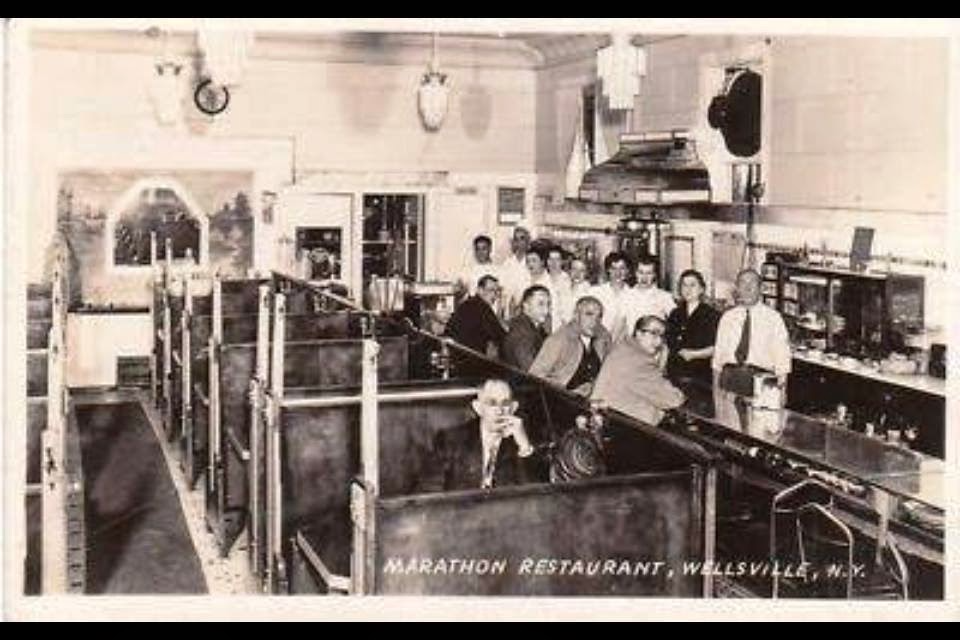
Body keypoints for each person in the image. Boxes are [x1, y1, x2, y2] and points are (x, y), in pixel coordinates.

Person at [414, 379, 547, 492]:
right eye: (492, 403)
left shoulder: (525, 441)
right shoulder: (451, 440)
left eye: (505, 403)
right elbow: (428, 492)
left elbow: (538, 498)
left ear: (513, 407)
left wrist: (524, 446)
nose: (499, 411)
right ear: (478, 408)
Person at [591, 315, 686, 426]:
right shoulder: (641, 362)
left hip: (609, 418)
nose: (659, 342)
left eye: (662, 336)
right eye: (654, 334)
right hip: (630, 430)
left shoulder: (622, 348)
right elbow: (673, 400)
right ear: (638, 333)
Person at [712, 269, 792, 394]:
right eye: (742, 283)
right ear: (737, 289)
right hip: (729, 378)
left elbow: (782, 362)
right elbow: (717, 359)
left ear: (760, 289)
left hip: (760, 380)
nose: (747, 288)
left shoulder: (773, 318)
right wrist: (715, 391)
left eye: (752, 283)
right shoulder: (727, 317)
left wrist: (781, 395)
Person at [529, 296, 611, 396]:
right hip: (563, 401)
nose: (594, 321)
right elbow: (534, 378)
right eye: (589, 314)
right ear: (576, 315)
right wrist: (568, 393)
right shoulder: (559, 339)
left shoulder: (603, 337)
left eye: (599, 316)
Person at [665, 269, 720, 384]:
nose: (688, 289)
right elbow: (668, 341)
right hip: (675, 371)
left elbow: (717, 347)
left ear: (701, 289)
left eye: (692, 285)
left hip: (700, 374)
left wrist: (693, 354)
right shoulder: (675, 313)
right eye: (684, 285)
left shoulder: (712, 315)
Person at [444, 274, 506, 361]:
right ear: (479, 290)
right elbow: (499, 335)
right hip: (473, 361)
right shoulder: (482, 307)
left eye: (497, 291)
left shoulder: (466, 304)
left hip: (457, 358)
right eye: (491, 290)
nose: (495, 296)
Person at [501, 285, 551, 371]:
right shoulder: (522, 334)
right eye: (540, 304)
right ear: (526, 306)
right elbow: (532, 372)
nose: (546, 310)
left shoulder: (534, 327)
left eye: (548, 304)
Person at [589, 252, 635, 343]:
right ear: (608, 270)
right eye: (613, 268)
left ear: (627, 271)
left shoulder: (634, 295)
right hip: (598, 342)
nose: (617, 273)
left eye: (622, 268)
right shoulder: (595, 292)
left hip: (624, 345)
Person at [625, 255, 676, 329]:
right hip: (631, 339)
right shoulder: (626, 295)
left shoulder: (664, 297)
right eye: (641, 272)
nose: (644, 277)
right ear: (635, 273)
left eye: (649, 273)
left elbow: (675, 321)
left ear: (654, 275)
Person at [497, 226, 532, 320]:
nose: (519, 242)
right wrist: (500, 311)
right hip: (508, 312)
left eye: (522, 239)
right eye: (516, 239)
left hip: (527, 311)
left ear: (528, 242)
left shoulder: (532, 263)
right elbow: (501, 290)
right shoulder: (507, 264)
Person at [459, 234, 499, 298]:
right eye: (478, 249)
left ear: (490, 249)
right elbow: (461, 290)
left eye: (484, 249)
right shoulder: (468, 270)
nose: (480, 252)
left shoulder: (498, 270)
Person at [545, 245, 573, 331]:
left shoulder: (569, 282)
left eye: (557, 259)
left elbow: (569, 309)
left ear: (562, 262)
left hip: (562, 327)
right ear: (547, 261)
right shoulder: (542, 280)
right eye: (551, 259)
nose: (554, 263)